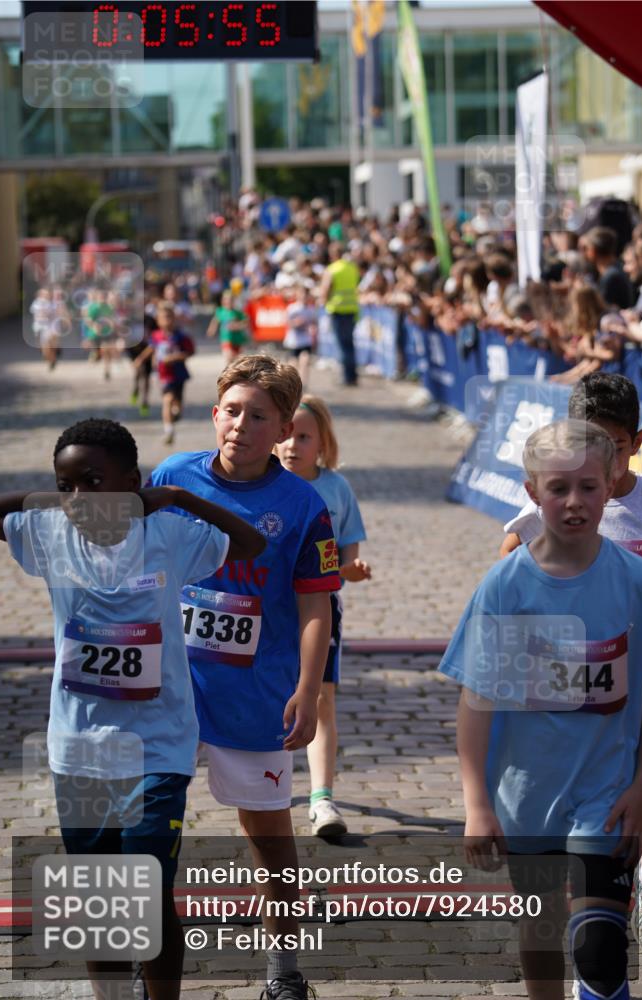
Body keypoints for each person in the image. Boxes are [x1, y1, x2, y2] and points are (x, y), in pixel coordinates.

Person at [0, 418, 265, 1000]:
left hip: (157, 744)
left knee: (146, 888)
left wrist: (178, 498)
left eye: (94, 482)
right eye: (65, 486)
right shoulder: (49, 534)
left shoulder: (168, 534)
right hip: (79, 747)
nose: (79, 498)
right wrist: (50, 501)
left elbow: (251, 545)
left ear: (133, 482)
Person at [439, 419, 642, 1000]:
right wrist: (477, 804)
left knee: (600, 946)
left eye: (588, 486)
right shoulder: (507, 588)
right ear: (532, 492)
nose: (574, 502)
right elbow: (477, 701)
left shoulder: (641, 583)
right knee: (540, 933)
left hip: (606, 796)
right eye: (558, 488)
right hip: (527, 796)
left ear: (612, 484)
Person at [149, 355, 340, 1000]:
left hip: (256, 693)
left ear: (283, 426)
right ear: (214, 414)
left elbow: (318, 604)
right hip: (167, 688)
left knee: (268, 837)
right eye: (232, 411)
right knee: (142, 834)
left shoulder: (303, 503)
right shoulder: (173, 478)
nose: (241, 426)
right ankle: (137, 972)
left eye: (258, 416)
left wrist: (307, 691)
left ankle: (285, 971)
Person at [500, 373, 642, 957]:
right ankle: (594, 946)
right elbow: (510, 571)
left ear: (636, 442)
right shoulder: (550, 502)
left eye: (613, 446)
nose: (601, 458)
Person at [276, 395, 371, 837]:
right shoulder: (265, 483)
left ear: (323, 443)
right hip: (266, 607)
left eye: (304, 436)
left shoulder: (337, 489)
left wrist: (349, 570)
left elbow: (347, 555)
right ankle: (266, 786)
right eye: (287, 434)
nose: (293, 444)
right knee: (268, 695)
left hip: (320, 609)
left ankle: (321, 798)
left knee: (321, 698)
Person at [136, 303, 195, 446]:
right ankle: (169, 431)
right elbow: (151, 348)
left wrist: (175, 357)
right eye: (163, 318)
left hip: (178, 374)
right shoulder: (156, 336)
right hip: (163, 375)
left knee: (178, 406)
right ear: (158, 320)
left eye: (169, 317)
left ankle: (176, 413)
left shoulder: (180, 336)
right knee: (167, 400)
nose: (166, 320)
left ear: (174, 319)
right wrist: (140, 359)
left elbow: (190, 352)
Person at [319, 241, 361, 386]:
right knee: (350, 344)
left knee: (343, 346)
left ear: (333, 254)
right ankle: (353, 375)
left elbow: (325, 290)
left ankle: (348, 377)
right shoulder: (352, 268)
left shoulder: (332, 269)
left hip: (337, 310)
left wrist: (323, 302)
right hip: (352, 309)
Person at [283, 285, 318, 388]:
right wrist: (296, 323)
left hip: (305, 340)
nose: (304, 296)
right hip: (294, 340)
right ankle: (292, 384)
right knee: (293, 364)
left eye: (306, 294)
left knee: (305, 361)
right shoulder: (292, 308)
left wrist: (313, 328)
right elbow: (287, 323)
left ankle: (303, 385)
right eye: (302, 294)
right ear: (297, 295)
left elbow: (314, 323)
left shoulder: (311, 310)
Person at [206, 287, 249, 364]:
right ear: (223, 301)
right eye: (226, 300)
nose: (228, 302)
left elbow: (245, 323)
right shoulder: (220, 311)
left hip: (237, 339)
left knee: (238, 361)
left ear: (233, 301)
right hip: (226, 339)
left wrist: (237, 326)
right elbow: (215, 320)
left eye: (230, 300)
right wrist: (211, 329)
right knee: (228, 357)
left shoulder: (238, 313)